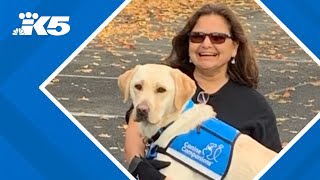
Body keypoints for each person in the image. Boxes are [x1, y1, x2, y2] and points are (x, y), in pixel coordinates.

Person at [125, 3, 282, 180]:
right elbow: (135, 134)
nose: (206, 44)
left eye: (218, 38)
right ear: (188, 43)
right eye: (197, 37)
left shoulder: (255, 105)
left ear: (235, 48)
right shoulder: (165, 81)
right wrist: (140, 168)